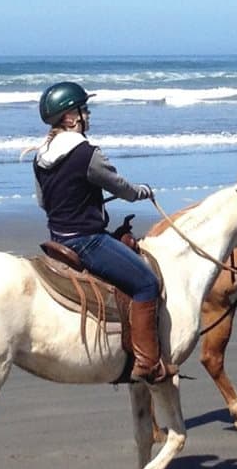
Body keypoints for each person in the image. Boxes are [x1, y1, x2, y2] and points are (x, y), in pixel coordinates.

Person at [32, 81, 172, 381]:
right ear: (70, 118)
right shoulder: (86, 152)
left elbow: (43, 201)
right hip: (86, 241)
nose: (88, 115)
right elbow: (118, 186)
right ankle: (148, 363)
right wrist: (141, 192)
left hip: (58, 238)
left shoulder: (39, 155)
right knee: (147, 282)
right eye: (84, 110)